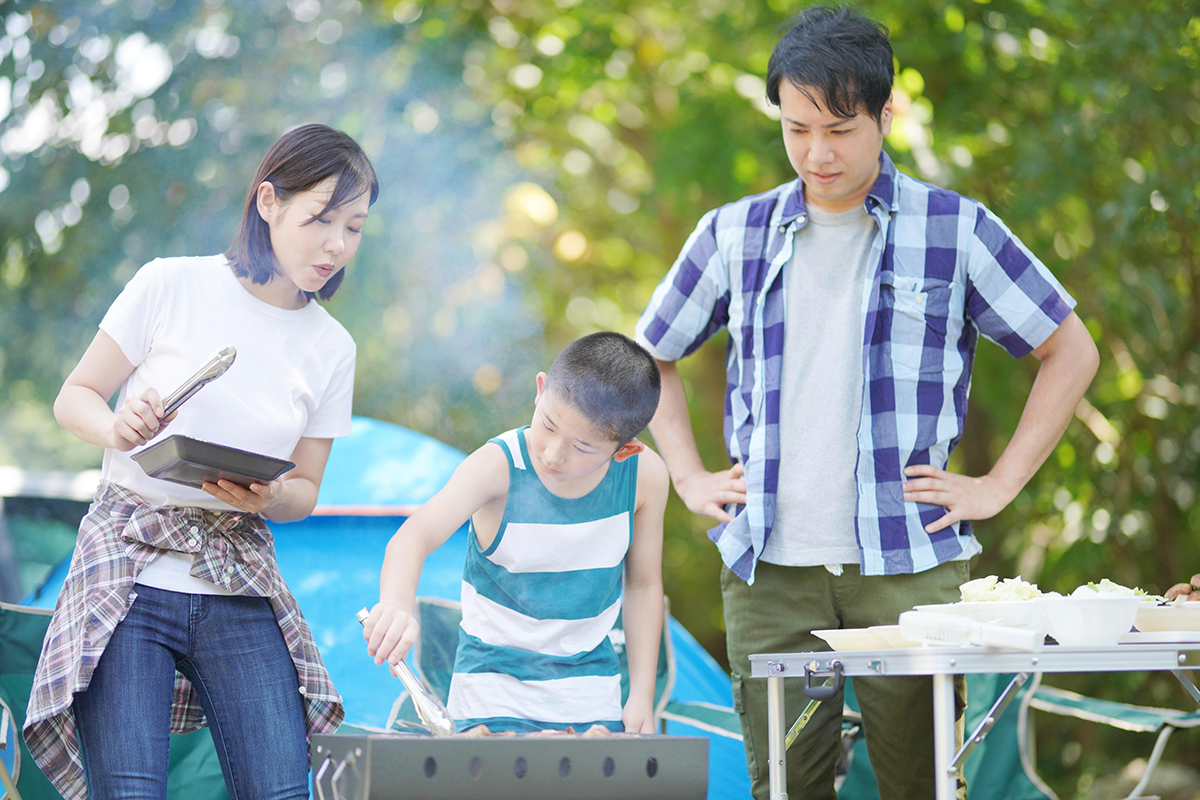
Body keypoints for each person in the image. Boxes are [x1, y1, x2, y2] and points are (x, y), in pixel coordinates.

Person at [635, 6, 1099, 799]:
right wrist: (686, 475)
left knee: (921, 786)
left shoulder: (954, 229)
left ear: (887, 114)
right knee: (785, 787)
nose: (817, 153)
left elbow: (1071, 351)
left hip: (907, 570)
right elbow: (650, 356)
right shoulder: (732, 234)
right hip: (770, 572)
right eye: (797, 128)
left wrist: (998, 486)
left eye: (841, 130)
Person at [25, 123, 379, 800]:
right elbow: (74, 397)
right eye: (321, 219)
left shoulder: (332, 348)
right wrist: (116, 424)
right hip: (130, 571)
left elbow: (304, 491)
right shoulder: (170, 285)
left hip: (237, 578)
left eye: (355, 228)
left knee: (280, 790)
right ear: (269, 202)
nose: (337, 245)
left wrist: (268, 498)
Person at [363, 332, 669, 734]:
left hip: (591, 692)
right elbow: (413, 536)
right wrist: (396, 605)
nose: (553, 453)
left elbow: (644, 585)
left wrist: (642, 695)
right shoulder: (498, 466)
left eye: (582, 447)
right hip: (491, 689)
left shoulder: (644, 479)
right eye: (548, 425)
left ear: (625, 449)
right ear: (540, 391)